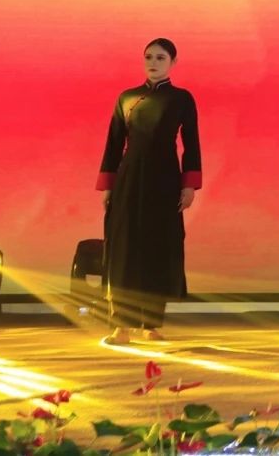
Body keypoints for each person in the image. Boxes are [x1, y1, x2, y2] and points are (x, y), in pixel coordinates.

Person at [96, 37, 202, 345]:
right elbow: (114, 143)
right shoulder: (127, 98)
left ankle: (151, 325)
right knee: (124, 248)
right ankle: (121, 326)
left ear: (173, 62)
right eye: (149, 57)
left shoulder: (181, 98)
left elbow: (191, 143)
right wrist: (108, 186)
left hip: (165, 179)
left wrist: (188, 185)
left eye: (160, 57)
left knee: (159, 247)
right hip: (129, 179)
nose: (153, 62)